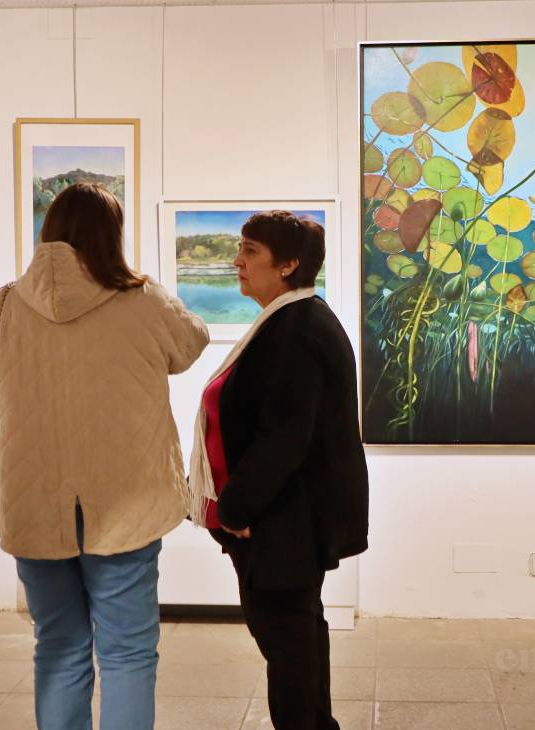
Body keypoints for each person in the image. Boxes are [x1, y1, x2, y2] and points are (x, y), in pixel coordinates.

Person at [0, 183, 209, 730]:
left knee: (57, 644)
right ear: (111, 236)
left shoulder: (3, 306)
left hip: (32, 501)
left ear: (48, 231)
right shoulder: (144, 300)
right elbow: (190, 343)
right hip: (129, 502)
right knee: (127, 651)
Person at [184, 210, 369, 730]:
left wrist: (239, 508)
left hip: (282, 520)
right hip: (287, 517)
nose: (236, 262)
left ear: (288, 265)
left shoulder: (296, 330)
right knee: (299, 636)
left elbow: (285, 438)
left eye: (250, 252)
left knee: (288, 645)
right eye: (239, 249)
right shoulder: (294, 319)